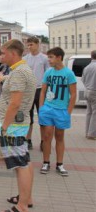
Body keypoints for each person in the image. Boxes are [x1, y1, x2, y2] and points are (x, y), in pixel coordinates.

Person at [0, 39, 37, 212]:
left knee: (20, 164)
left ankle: (22, 207)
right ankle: (25, 198)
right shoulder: (20, 69)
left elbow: (15, 103)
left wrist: (4, 126)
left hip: (14, 124)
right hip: (19, 123)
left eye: (3, 52)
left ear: (13, 53)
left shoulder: (19, 72)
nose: (1, 55)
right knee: (24, 162)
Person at [39, 47, 76, 176]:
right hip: (48, 109)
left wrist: (68, 112)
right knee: (47, 136)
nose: (48, 60)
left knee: (60, 137)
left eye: (51, 57)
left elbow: (73, 94)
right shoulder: (48, 73)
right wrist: (41, 108)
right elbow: (43, 91)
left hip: (62, 111)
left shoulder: (68, 74)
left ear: (59, 57)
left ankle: (60, 164)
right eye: (48, 57)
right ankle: (46, 162)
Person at [23, 36, 50, 151]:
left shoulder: (44, 58)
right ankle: (28, 140)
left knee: (42, 117)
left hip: (40, 90)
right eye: (28, 45)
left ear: (37, 44)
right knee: (28, 117)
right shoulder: (25, 59)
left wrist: (46, 89)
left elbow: (48, 74)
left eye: (31, 45)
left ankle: (43, 141)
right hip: (28, 90)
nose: (29, 47)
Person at [82, 50, 96, 140]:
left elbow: (83, 80)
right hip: (95, 91)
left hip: (87, 91)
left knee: (89, 112)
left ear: (91, 57)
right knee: (95, 113)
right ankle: (92, 133)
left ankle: (87, 132)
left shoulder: (87, 67)